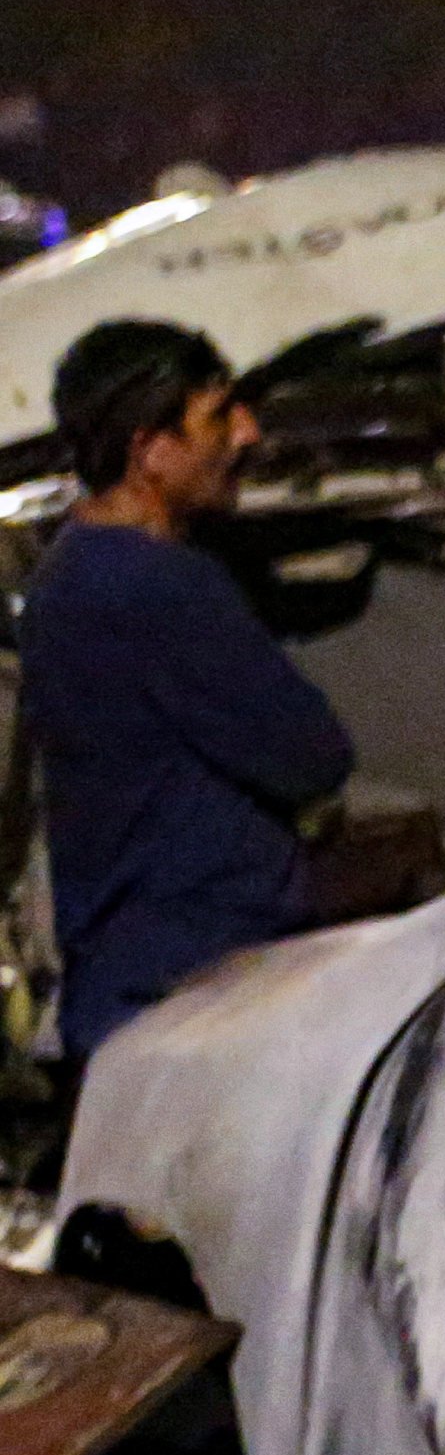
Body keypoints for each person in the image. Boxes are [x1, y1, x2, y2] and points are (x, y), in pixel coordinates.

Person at [18, 320, 350, 1063]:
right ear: (150, 451)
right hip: (207, 992)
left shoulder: (64, 575)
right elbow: (313, 754)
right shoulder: (160, 583)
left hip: (127, 990)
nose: (248, 433)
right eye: (219, 415)